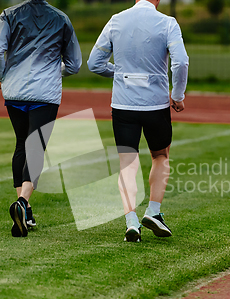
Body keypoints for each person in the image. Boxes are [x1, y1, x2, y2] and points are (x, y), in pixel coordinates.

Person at [87, 0, 189, 242]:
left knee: (127, 163)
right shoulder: (167, 23)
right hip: (156, 105)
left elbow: (94, 63)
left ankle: (131, 220)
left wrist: (122, 74)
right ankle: (153, 211)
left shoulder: (116, 20)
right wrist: (177, 95)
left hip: (123, 104)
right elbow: (181, 62)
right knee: (160, 156)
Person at [0, 0, 82, 237]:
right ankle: (22, 203)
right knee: (37, 146)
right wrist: (52, 69)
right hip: (45, 93)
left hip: (14, 90)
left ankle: (26, 210)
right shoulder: (61, 18)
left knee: (22, 143)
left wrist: (1, 75)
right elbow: (74, 64)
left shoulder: (8, 15)